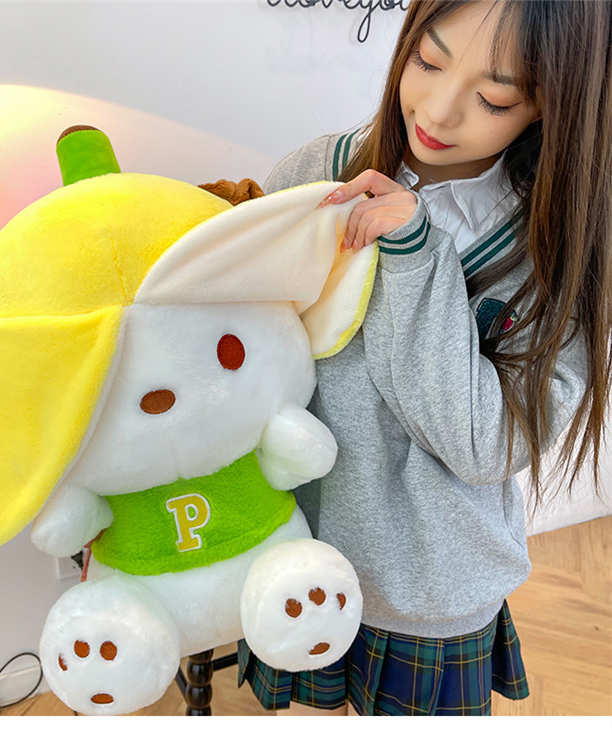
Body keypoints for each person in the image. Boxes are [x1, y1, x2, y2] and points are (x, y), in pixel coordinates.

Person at [237, 0, 612, 716]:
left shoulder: (557, 255)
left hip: (429, 595)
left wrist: (413, 256)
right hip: (295, 558)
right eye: (427, 60)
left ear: (548, 105)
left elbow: (483, 444)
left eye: (494, 98)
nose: (438, 111)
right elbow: (232, 356)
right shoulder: (316, 173)